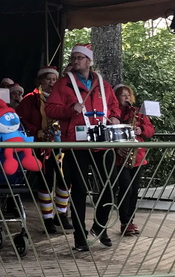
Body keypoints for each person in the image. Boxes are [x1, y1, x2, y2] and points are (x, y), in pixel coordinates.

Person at [45, 44, 120, 252]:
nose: (76, 61)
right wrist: (70, 109)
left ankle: (100, 226)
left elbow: (113, 106)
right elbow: (50, 109)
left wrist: (115, 116)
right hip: (76, 143)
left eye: (80, 58)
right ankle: (79, 235)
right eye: (74, 57)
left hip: (101, 140)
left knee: (109, 185)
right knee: (79, 189)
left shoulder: (102, 84)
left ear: (89, 61)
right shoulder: (63, 84)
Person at [16, 66, 72, 233]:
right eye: (48, 79)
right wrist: (38, 132)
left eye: (54, 80)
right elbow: (21, 122)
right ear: (40, 81)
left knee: (65, 179)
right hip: (40, 144)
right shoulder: (29, 100)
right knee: (45, 180)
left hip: (62, 143)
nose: (51, 83)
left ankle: (61, 214)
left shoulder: (64, 98)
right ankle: (47, 218)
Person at [112, 83, 155, 237]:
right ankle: (125, 221)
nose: (126, 98)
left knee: (133, 190)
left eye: (128, 95)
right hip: (120, 157)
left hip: (137, 157)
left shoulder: (137, 112)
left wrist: (141, 129)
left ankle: (129, 221)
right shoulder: (113, 114)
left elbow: (150, 130)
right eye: (123, 95)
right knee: (125, 189)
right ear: (116, 97)